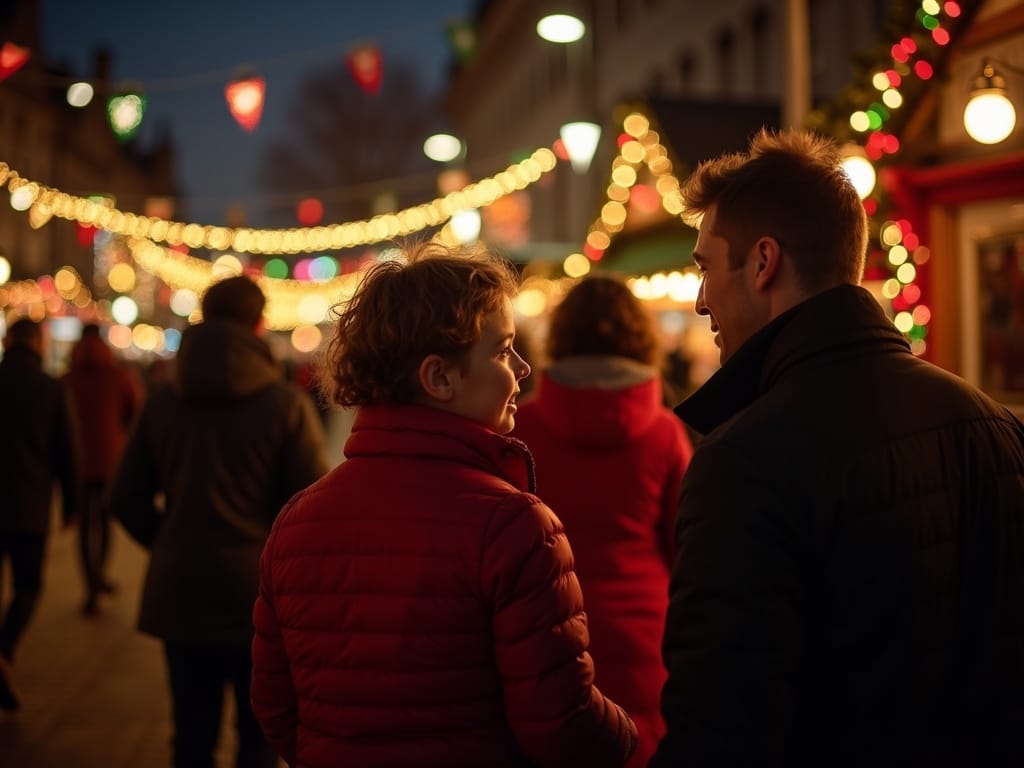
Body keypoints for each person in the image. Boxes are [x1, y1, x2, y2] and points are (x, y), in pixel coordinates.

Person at [651, 128, 1024, 767]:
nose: (700, 300)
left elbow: (721, 728)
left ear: (764, 262)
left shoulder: (743, 462)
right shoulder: (996, 427)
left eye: (705, 266)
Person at [251, 241, 638, 768]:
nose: (523, 368)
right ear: (439, 377)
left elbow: (275, 705)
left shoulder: (296, 521)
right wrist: (628, 738)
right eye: (502, 351)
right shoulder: (512, 525)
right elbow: (559, 722)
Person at [110, 276, 329, 768]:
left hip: (179, 589)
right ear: (260, 324)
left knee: (190, 735)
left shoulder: (164, 401)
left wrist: (169, 540)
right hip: (257, 594)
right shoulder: (283, 406)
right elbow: (310, 508)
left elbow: (125, 496)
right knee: (261, 736)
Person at [511, 274, 692, 768]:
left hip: (542, 634)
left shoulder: (520, 432)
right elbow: (684, 547)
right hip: (644, 638)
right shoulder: (665, 434)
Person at [0, 317, 81, 711]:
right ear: (37, 343)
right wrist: (71, 504)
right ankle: (5, 648)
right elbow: (68, 450)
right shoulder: (50, 388)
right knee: (27, 585)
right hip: (28, 505)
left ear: (8, 340)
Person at [62, 323, 143, 616]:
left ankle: (91, 585)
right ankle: (100, 579)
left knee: (84, 527)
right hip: (111, 460)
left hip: (77, 463)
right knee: (105, 524)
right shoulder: (119, 376)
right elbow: (135, 414)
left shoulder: (67, 379)